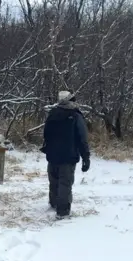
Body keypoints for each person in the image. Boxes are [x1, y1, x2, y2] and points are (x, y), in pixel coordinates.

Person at [41, 90, 91, 219]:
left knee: (54, 181)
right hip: (68, 155)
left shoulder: (52, 114)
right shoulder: (75, 116)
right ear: (71, 100)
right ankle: (62, 212)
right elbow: (82, 138)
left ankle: (53, 204)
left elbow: (46, 134)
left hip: (52, 155)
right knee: (65, 183)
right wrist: (86, 157)